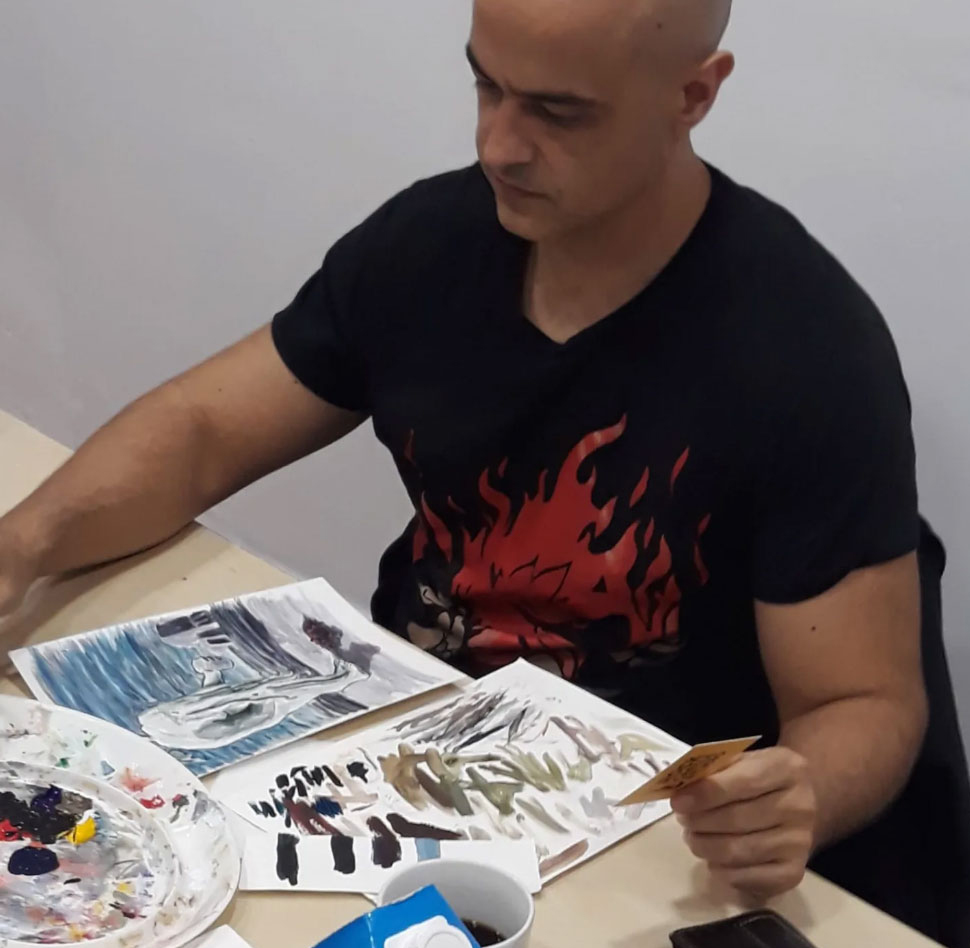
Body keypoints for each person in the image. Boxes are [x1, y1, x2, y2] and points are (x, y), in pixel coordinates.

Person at [0, 0, 934, 935]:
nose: (499, 146)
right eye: (487, 86)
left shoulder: (804, 350)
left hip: (646, 836)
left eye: (558, 112)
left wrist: (800, 795)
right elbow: (204, 429)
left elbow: (865, 701)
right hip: (401, 760)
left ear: (693, 94)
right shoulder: (433, 241)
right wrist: (24, 543)